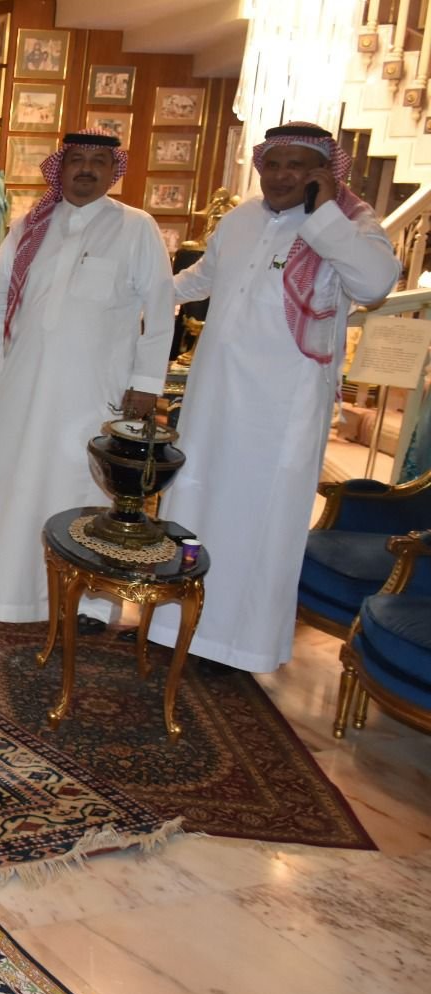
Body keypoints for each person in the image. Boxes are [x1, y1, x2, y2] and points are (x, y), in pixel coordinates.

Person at [150, 123, 399, 672]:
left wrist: (323, 214)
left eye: (297, 165)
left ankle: (239, 645)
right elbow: (201, 279)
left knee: (260, 517)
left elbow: (375, 284)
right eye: (273, 164)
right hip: (216, 394)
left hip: (282, 405)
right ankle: (172, 628)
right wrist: (141, 296)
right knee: (194, 500)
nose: (282, 175)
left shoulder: (351, 224)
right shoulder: (241, 219)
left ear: (323, 172)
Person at [0, 129, 173, 627]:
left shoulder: (136, 227)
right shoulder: (32, 223)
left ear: (114, 170)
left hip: (92, 388)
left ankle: (86, 603)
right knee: (10, 480)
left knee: (81, 486)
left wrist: (147, 382)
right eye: (77, 158)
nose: (86, 169)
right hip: (20, 380)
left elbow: (161, 308)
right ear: (60, 166)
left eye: (99, 161)